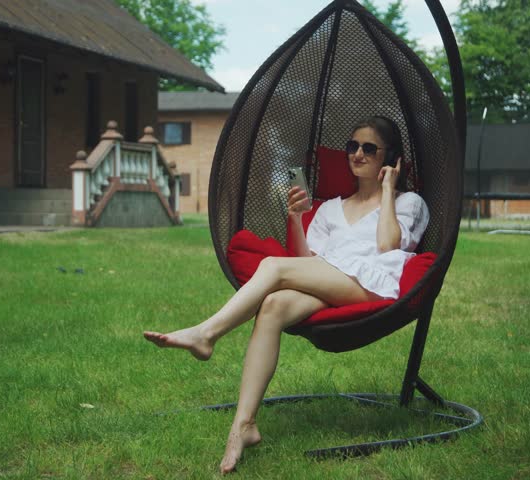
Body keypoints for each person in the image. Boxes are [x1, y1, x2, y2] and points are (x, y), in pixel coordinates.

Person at [143, 116, 430, 474]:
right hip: (331, 280)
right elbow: (305, 263)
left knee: (273, 268)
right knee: (274, 304)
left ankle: (205, 334)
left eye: (369, 148)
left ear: (392, 159)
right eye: (352, 146)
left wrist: (388, 189)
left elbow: (390, 245)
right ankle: (243, 426)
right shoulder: (329, 208)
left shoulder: (409, 203)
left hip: (374, 286)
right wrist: (296, 218)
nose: (357, 154)